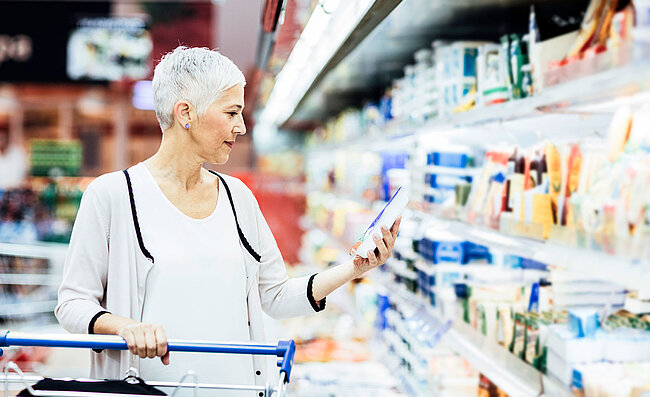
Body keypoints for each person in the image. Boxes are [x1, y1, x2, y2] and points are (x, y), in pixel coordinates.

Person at [55, 46, 401, 395]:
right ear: (186, 113)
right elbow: (72, 304)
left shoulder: (238, 198)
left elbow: (276, 295)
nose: (241, 127)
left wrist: (354, 268)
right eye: (232, 112)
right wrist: (123, 327)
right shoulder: (112, 196)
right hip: (152, 388)